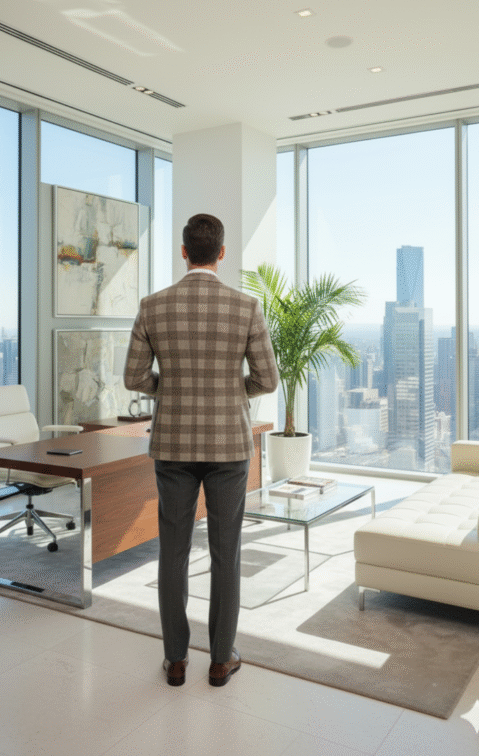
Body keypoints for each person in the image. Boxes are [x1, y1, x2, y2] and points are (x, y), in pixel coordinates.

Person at [124, 213, 278, 687]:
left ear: (185, 252)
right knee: (226, 551)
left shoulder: (153, 306)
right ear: (222, 253)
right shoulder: (246, 307)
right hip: (229, 446)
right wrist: (232, 393)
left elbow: (133, 378)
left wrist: (169, 389)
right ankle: (220, 658)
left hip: (172, 443)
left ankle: (174, 659)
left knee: (172, 552)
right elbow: (267, 379)